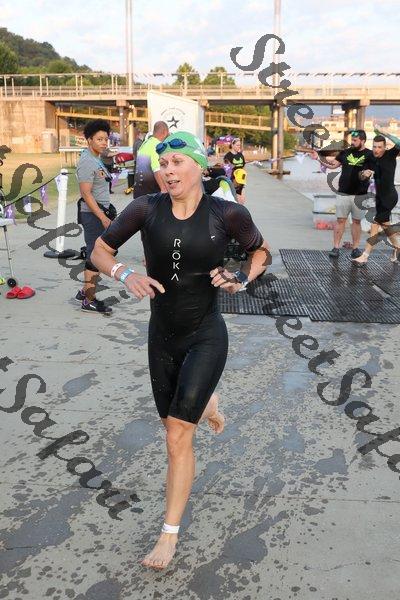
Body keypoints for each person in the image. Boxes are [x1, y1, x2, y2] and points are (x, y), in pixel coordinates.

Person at [90, 131, 270, 570]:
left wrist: (240, 278)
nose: (168, 171)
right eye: (163, 164)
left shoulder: (228, 213)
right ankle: (209, 403)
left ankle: (168, 534)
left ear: (199, 166)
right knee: (175, 420)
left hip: (206, 334)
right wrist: (124, 273)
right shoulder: (144, 208)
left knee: (176, 435)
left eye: (177, 163)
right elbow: (100, 250)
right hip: (162, 337)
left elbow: (260, 252)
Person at [311, 130, 374, 258]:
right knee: (340, 220)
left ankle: (355, 248)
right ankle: (336, 247)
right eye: (352, 139)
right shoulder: (345, 152)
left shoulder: (369, 154)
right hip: (343, 193)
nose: (352, 142)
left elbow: (373, 170)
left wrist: (368, 173)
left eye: (355, 140)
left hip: (360, 195)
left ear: (362, 141)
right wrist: (318, 158)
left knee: (356, 221)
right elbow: (332, 165)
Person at [76, 119, 116, 314]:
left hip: (100, 212)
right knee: (95, 255)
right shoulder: (87, 161)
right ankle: (88, 300)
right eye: (99, 139)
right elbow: (86, 194)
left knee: (99, 253)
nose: (103, 142)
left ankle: (85, 291)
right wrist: (102, 217)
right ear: (89, 140)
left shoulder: (96, 158)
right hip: (93, 215)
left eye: (105, 139)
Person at [352, 130, 400, 265]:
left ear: (385, 147)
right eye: (374, 146)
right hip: (380, 198)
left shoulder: (390, 154)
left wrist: (383, 132)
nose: (376, 149)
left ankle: (365, 256)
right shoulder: (371, 159)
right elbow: (360, 176)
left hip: (390, 197)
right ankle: (398, 247)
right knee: (386, 226)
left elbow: (399, 143)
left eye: (379, 147)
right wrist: (364, 174)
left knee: (375, 223)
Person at [133, 121, 169, 197]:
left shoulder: (146, 143)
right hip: (150, 193)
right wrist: (164, 189)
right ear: (165, 132)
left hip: (139, 191)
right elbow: (156, 169)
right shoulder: (157, 145)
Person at [224, 138, 246, 204]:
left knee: (242, 200)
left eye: (239, 145)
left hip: (241, 180)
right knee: (234, 201)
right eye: (237, 145)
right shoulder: (227, 156)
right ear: (232, 145)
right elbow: (227, 170)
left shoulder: (241, 155)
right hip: (233, 181)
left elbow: (244, 167)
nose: (239, 147)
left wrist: (243, 177)